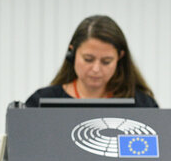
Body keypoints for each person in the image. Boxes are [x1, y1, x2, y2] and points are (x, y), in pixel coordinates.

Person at [26, 15, 157, 107]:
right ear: (72, 53)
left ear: (120, 57)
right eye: (88, 59)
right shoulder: (42, 102)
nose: (96, 69)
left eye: (106, 61)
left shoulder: (141, 104)